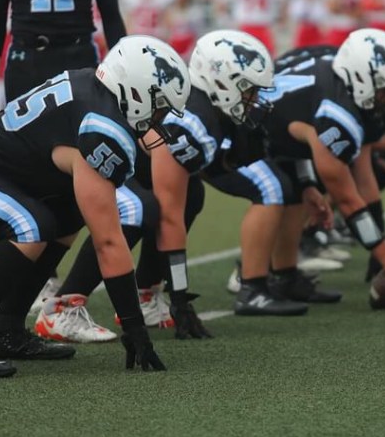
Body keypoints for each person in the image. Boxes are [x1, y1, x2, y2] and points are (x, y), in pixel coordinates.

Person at [0, 35, 190, 377]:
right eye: (159, 106)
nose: (159, 119)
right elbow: (109, 241)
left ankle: (4, 328)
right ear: (135, 92)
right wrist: (134, 326)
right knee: (31, 225)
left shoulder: (92, 88)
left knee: (67, 215)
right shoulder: (102, 126)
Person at [37, 31, 274, 340]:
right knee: (140, 209)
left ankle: (146, 293)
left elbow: (182, 174)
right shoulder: (194, 122)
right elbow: (169, 214)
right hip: (83, 155)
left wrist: (227, 163)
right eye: (248, 89)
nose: (253, 99)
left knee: (192, 194)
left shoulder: (206, 111)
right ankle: (63, 306)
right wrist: (180, 295)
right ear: (222, 82)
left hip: (116, 160)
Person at [218, 29, 385, 311]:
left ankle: (285, 277)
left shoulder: (338, 80)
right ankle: (251, 287)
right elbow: (348, 200)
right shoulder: (338, 113)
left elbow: (294, 127)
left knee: (294, 189)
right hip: (233, 139)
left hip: (267, 138)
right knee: (274, 188)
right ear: (362, 79)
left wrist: (307, 183)